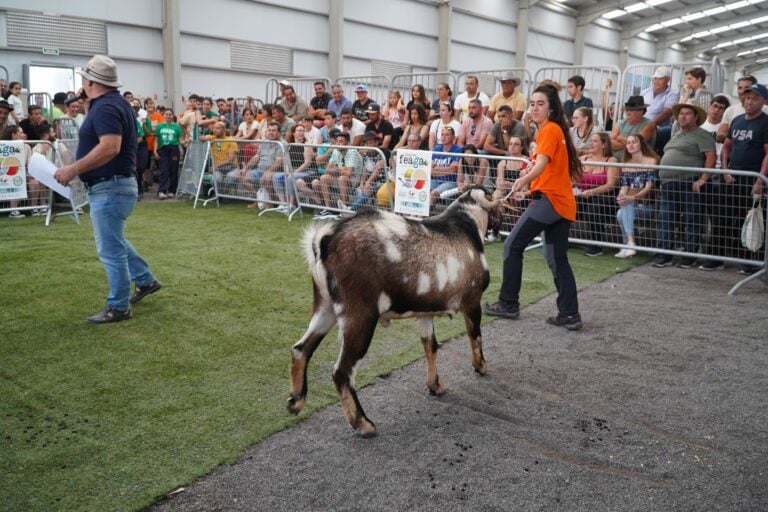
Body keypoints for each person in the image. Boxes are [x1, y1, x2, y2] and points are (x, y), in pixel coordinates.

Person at [53, 55, 160, 323]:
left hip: (109, 186)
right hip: (115, 185)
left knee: (110, 249)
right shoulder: (112, 104)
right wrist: (87, 101)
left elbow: (110, 147)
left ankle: (119, 306)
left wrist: (73, 168)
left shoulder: (105, 108)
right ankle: (145, 280)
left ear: (89, 81)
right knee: (115, 241)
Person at [483, 84, 583, 331]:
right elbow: (546, 168)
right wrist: (529, 183)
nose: (535, 108)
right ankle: (570, 314)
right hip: (560, 203)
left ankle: (508, 303)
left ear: (551, 108)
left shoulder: (549, 130)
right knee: (556, 258)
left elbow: (541, 165)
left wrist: (523, 179)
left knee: (512, 245)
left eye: (541, 103)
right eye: (533, 103)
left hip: (550, 201)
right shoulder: (554, 130)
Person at [651, 102, 716, 269]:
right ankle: (664, 254)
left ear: (695, 118)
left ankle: (689, 255)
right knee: (666, 219)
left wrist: (703, 179)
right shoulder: (677, 134)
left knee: (692, 219)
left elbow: (711, 156)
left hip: (689, 181)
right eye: (681, 114)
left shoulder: (702, 134)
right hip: (669, 183)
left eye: (687, 113)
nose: (683, 116)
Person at [720, 83, 768, 274]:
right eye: (747, 98)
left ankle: (753, 262)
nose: (748, 101)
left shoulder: (766, 122)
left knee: (756, 220)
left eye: (754, 98)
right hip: (734, 177)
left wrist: (759, 180)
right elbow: (726, 147)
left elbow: (767, 153)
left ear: (764, 102)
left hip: (753, 177)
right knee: (734, 218)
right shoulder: (737, 120)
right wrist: (725, 170)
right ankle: (739, 259)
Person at [576, 131, 620, 256]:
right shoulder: (583, 159)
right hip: (583, 194)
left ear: (604, 144)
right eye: (590, 141)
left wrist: (591, 191)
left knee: (593, 208)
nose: (591, 143)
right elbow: (572, 179)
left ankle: (596, 245)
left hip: (604, 196)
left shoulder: (611, 160)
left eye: (595, 141)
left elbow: (611, 185)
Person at [615, 134, 658, 259]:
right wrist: (621, 196)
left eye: (634, 142)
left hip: (647, 205)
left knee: (626, 206)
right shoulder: (625, 164)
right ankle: (629, 243)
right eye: (628, 143)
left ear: (641, 144)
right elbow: (624, 187)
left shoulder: (651, 161)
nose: (631, 145)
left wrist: (633, 198)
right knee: (620, 212)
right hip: (631, 204)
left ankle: (629, 244)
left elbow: (648, 187)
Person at [641, 66, 679, 156]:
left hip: (659, 125)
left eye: (660, 79)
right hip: (641, 122)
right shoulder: (645, 92)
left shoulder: (673, 93)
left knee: (666, 131)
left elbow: (667, 113)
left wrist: (650, 124)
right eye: (655, 78)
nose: (656, 81)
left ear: (668, 80)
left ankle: (657, 157)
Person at [319, 131, 363, 207]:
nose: (338, 144)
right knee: (324, 178)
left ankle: (345, 207)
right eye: (337, 141)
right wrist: (341, 169)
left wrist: (337, 169)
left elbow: (349, 173)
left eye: (341, 141)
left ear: (348, 143)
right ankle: (328, 208)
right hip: (340, 176)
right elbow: (327, 170)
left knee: (342, 179)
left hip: (355, 178)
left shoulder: (352, 151)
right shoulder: (336, 151)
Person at [610, 95, 656, 160]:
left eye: (631, 110)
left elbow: (638, 144)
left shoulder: (649, 124)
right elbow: (609, 144)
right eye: (627, 109)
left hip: (635, 162)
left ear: (641, 111)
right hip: (614, 161)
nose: (627, 113)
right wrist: (630, 143)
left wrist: (619, 138)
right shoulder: (620, 123)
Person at [153, 108, 184, 199]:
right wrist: (155, 150)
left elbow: (180, 140)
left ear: (172, 116)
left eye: (170, 114)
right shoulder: (159, 126)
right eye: (166, 114)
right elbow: (156, 140)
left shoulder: (177, 127)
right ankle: (162, 191)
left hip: (174, 149)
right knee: (164, 170)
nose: (168, 116)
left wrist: (186, 142)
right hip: (163, 149)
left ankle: (172, 191)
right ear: (164, 115)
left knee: (173, 170)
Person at [430, 127, 463, 205]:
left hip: (450, 181)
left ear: (453, 137)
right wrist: (446, 170)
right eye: (442, 134)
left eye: (447, 135)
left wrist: (437, 169)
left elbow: (453, 170)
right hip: (435, 180)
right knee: (423, 190)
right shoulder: (436, 149)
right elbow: (430, 170)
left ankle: (426, 215)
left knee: (433, 193)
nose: (443, 137)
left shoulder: (458, 150)